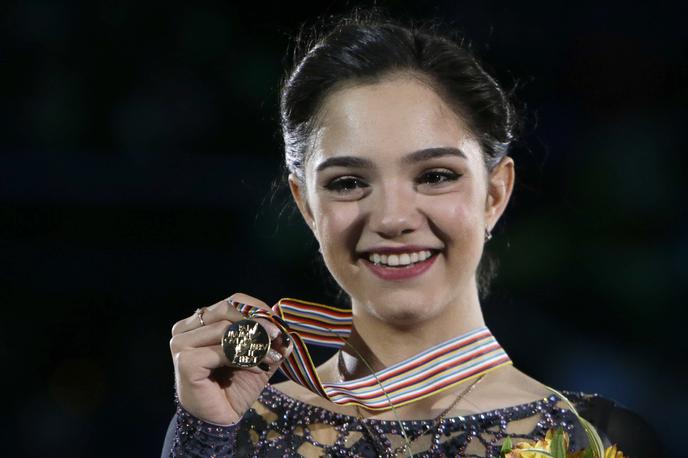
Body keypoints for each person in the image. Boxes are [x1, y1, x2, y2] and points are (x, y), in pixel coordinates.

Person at [162, 11, 659, 458]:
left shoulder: (597, 441)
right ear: (307, 206)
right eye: (349, 183)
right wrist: (205, 438)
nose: (393, 218)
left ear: (495, 194)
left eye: (435, 176)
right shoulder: (234, 427)